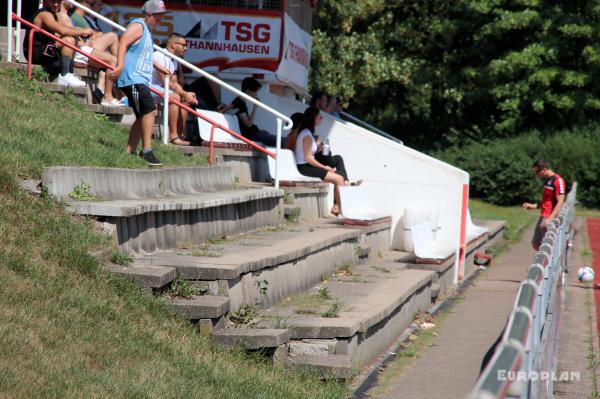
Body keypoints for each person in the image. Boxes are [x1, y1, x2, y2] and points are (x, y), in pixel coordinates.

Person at [111, 0, 168, 166]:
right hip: (132, 78)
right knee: (149, 110)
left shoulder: (148, 33)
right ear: (149, 14)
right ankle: (147, 150)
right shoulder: (139, 26)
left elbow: (143, 54)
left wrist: (158, 67)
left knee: (142, 114)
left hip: (139, 79)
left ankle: (129, 150)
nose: (161, 20)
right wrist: (120, 65)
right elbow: (123, 43)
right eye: (159, 17)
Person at [58, 0, 121, 106]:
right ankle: (108, 96)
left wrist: (81, 34)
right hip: (78, 50)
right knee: (112, 60)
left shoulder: (67, 15)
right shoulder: (61, 14)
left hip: (82, 48)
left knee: (112, 45)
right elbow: (64, 34)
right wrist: (82, 32)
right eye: (91, 3)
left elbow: (71, 32)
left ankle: (105, 82)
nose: (73, 2)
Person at [23, 0, 94, 87]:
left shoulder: (53, 14)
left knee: (73, 40)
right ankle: (65, 75)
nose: (56, 4)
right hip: (36, 53)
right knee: (68, 40)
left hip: (48, 50)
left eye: (58, 1)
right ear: (45, 1)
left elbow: (62, 31)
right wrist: (82, 31)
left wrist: (78, 33)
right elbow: (62, 31)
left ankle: (69, 73)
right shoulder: (44, 14)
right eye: (53, 1)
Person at [295, 106, 348, 216]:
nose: (321, 118)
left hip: (308, 166)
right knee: (339, 179)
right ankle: (341, 211)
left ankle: (337, 208)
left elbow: (309, 154)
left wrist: (318, 148)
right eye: (320, 116)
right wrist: (324, 168)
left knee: (341, 177)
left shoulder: (308, 133)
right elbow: (308, 158)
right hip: (305, 168)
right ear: (313, 118)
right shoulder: (306, 135)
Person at [151, 33, 198, 146]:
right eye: (183, 45)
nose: (185, 48)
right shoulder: (160, 55)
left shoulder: (174, 59)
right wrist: (182, 93)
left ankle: (180, 135)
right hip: (146, 87)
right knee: (175, 96)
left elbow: (175, 83)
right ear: (173, 45)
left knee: (185, 100)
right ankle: (173, 136)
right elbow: (165, 82)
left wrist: (186, 94)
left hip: (158, 90)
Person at [522, 159, 567, 251]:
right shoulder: (548, 181)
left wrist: (550, 219)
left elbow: (560, 201)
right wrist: (533, 206)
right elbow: (547, 200)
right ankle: (546, 263)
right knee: (536, 244)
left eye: (537, 172)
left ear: (544, 169)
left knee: (546, 246)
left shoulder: (558, 180)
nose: (537, 175)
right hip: (544, 215)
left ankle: (548, 264)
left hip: (549, 217)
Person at [230, 77, 278, 146]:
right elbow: (248, 124)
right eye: (255, 91)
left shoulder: (240, 102)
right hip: (251, 136)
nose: (256, 94)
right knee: (281, 141)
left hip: (254, 133)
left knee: (268, 135)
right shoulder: (239, 103)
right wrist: (255, 108)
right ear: (248, 90)